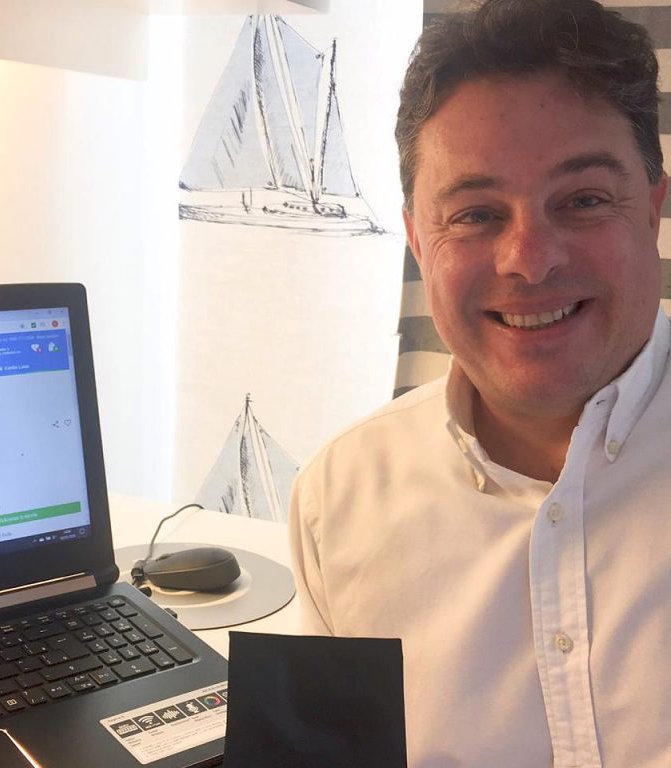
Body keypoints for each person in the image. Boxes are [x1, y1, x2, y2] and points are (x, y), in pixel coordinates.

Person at [289, 1, 671, 766]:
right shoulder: (340, 500)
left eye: (584, 200)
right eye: (474, 214)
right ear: (416, 240)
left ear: (655, 208)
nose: (529, 259)